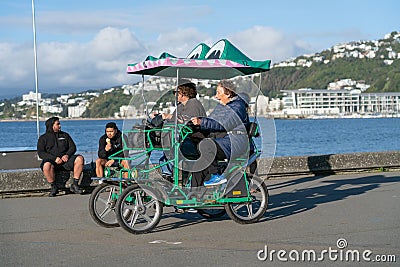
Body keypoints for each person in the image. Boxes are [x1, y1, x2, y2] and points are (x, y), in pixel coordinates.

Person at [190, 80, 250, 187]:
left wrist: (202, 122)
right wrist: (196, 125)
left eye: (218, 93)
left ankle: (216, 174)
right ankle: (194, 195)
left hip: (235, 141)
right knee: (198, 165)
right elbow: (212, 121)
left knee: (207, 145)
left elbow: (224, 124)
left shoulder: (238, 107)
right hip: (223, 139)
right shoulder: (221, 106)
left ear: (228, 93)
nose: (216, 96)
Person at [37, 116, 84, 197]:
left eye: (59, 124)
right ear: (52, 125)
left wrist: (67, 155)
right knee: (46, 166)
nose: (60, 126)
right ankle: (54, 186)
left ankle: (75, 184)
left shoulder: (65, 135)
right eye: (58, 124)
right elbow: (41, 153)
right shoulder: (43, 138)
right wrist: (54, 158)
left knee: (80, 158)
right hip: (52, 162)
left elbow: (73, 147)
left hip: (66, 161)